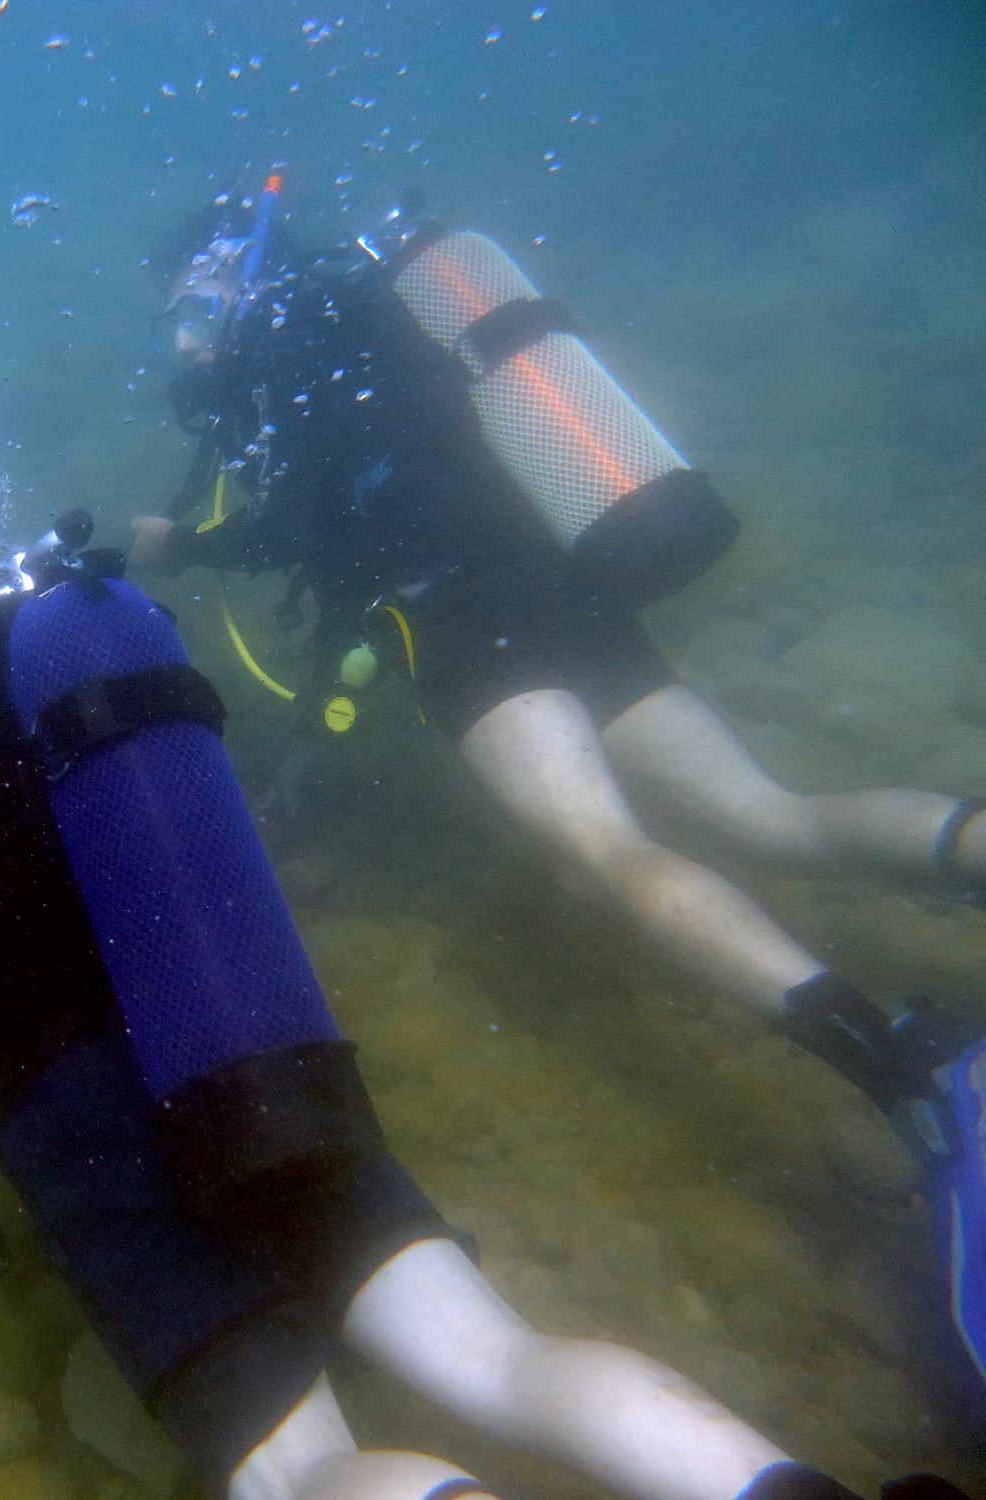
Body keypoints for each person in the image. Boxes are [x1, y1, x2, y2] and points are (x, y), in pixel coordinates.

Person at [0, 511, 960, 1500]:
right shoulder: (49, 655)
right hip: (243, 1035)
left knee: (307, 1468)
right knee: (497, 1357)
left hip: (80, 1122)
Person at [127, 181, 986, 1392]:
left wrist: (186, 543)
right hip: (557, 573)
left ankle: (902, 1075)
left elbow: (307, 518)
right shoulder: (381, 306)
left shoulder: (279, 353)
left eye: (182, 302)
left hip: (461, 618)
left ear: (220, 275)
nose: (180, 329)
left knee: (603, 849)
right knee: (765, 812)